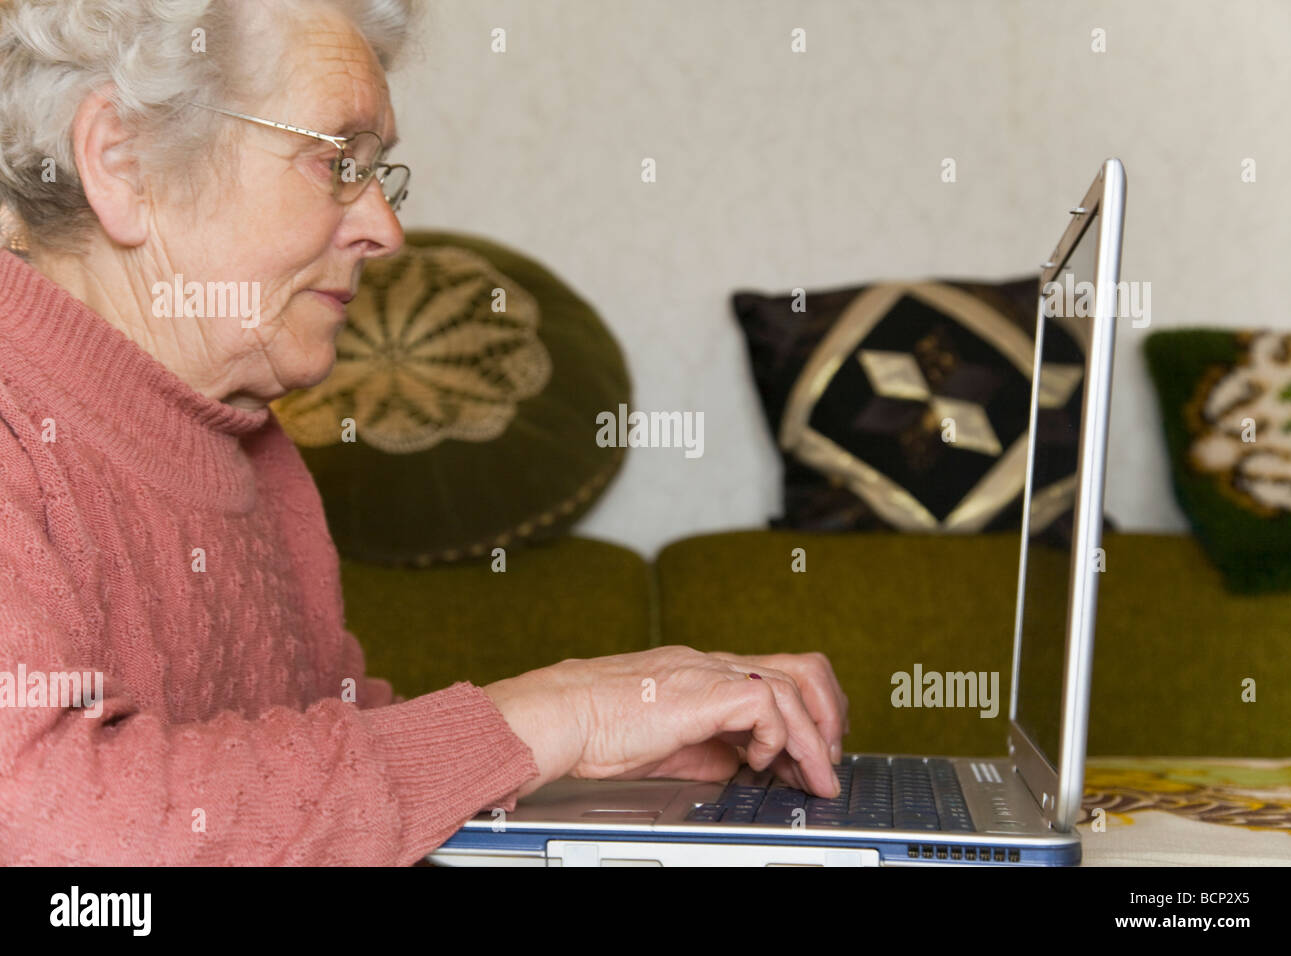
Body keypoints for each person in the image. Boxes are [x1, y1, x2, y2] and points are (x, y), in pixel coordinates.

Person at [0, 0, 848, 866]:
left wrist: (603, 765)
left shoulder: (253, 440)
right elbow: (45, 820)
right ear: (124, 162)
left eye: (380, 172)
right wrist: (556, 714)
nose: (386, 228)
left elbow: (327, 789)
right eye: (336, 161)